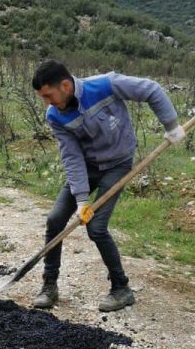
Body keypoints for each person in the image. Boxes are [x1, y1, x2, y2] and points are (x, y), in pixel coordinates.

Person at [31, 59, 186, 312]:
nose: (46, 102)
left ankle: (121, 288)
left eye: (48, 95)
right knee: (55, 219)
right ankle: (49, 285)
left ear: (66, 85)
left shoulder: (105, 85)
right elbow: (71, 156)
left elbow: (151, 89)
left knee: (97, 227)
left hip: (118, 164)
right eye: (42, 97)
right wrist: (81, 199)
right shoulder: (55, 115)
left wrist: (171, 125)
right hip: (88, 166)